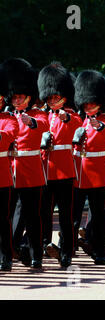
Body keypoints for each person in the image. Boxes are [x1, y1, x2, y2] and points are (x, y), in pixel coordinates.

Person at [4, 58, 49, 269]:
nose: (16, 100)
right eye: (14, 97)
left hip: (30, 171)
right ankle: (10, 250)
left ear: (29, 97)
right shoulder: (7, 116)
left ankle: (35, 254)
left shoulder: (37, 114)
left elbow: (44, 125)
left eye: (20, 97)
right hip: (10, 170)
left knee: (32, 216)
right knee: (9, 215)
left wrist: (30, 122)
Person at [37, 62, 82, 268]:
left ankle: (66, 251)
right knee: (44, 213)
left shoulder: (71, 115)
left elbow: (77, 126)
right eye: (50, 97)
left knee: (65, 215)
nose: (53, 100)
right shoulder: (42, 115)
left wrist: (65, 117)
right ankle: (45, 244)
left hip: (64, 171)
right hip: (45, 171)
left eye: (56, 97)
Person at [72, 70, 105, 265]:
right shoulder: (77, 119)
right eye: (86, 103)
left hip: (97, 173)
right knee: (72, 214)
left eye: (92, 103)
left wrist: (97, 126)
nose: (88, 107)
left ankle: (101, 251)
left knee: (98, 215)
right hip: (77, 172)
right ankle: (69, 247)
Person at [0, 64, 19, 271]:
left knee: (3, 219)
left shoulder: (8, 120)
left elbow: (9, 136)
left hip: (2, 176)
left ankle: (5, 257)